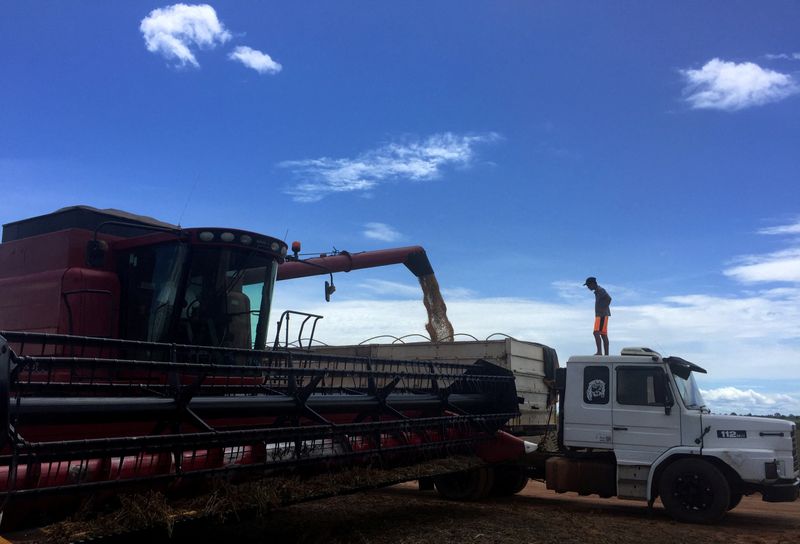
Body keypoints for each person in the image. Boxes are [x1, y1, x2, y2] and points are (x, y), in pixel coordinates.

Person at [584, 277, 611, 355]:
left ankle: (599, 352)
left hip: (601, 315)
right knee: (603, 334)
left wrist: (602, 308)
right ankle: (606, 354)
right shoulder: (598, 291)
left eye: (588, 285)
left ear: (592, 284)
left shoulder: (600, 290)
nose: (588, 287)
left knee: (596, 332)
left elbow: (609, 299)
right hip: (602, 315)